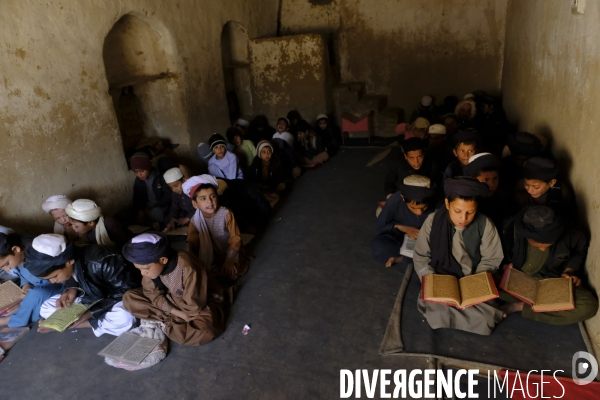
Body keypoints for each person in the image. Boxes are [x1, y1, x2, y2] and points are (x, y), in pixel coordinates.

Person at [413, 177, 505, 335]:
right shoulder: (433, 221)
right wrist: (433, 282)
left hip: (473, 278)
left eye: (470, 212)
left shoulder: (485, 224)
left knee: (485, 319)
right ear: (447, 204)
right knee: (437, 312)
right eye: (458, 211)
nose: (463, 218)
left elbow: (491, 259)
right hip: (441, 277)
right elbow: (421, 257)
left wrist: (475, 284)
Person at [122, 232, 231, 346]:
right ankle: (170, 321)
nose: (143, 273)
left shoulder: (188, 267)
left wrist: (173, 308)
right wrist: (176, 312)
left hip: (193, 302)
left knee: (204, 331)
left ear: (163, 260)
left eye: (145, 269)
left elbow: (193, 306)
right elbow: (151, 293)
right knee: (129, 298)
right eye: (139, 269)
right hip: (173, 304)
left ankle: (165, 321)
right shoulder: (149, 268)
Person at [25, 234, 139, 336]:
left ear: (69, 262)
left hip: (115, 297)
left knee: (124, 317)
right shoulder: (68, 263)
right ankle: (82, 322)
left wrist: (90, 313)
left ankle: (81, 323)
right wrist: (71, 289)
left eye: (54, 276)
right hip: (91, 296)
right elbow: (76, 277)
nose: (53, 281)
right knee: (46, 307)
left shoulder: (102, 260)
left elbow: (127, 290)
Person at [502, 206, 598, 325]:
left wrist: (569, 271)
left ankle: (519, 306)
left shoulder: (572, 234)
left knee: (589, 305)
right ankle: (539, 306)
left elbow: (579, 251)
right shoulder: (511, 229)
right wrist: (505, 266)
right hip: (518, 281)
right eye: (538, 245)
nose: (542, 249)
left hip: (551, 283)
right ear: (527, 236)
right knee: (487, 286)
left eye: (547, 245)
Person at [183, 176, 249, 281]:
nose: (210, 202)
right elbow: (192, 240)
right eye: (203, 198)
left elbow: (235, 238)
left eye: (213, 196)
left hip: (229, 252)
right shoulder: (195, 220)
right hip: (209, 254)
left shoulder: (226, 213)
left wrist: (229, 260)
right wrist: (191, 259)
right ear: (195, 204)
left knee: (231, 272)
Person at [0, 233, 63, 328]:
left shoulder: (37, 255)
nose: (7, 269)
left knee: (36, 295)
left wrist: (24, 303)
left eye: (6, 264)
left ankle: (13, 318)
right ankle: (28, 310)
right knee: (30, 298)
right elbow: (24, 277)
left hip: (57, 287)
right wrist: (26, 285)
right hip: (38, 292)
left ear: (16, 249)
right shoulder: (19, 261)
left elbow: (52, 280)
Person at [371, 175, 436, 268]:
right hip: (398, 235)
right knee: (378, 246)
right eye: (413, 208)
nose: (419, 212)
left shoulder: (438, 203)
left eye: (424, 208)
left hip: (426, 237)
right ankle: (407, 257)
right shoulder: (394, 201)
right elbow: (380, 226)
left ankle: (401, 258)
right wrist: (403, 228)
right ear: (403, 197)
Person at [463, 153, 509, 238]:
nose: (491, 184)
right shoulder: (466, 202)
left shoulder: (503, 199)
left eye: (495, 178)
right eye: (485, 180)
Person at [66, 199, 132, 249]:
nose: (73, 228)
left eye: (76, 226)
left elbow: (124, 244)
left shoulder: (109, 225)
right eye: (72, 225)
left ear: (90, 223)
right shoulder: (85, 230)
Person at [131, 152, 172, 229]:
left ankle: (153, 224)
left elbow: (168, 196)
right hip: (146, 209)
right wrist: (140, 211)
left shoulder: (160, 177)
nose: (139, 174)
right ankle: (151, 224)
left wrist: (153, 207)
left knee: (157, 213)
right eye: (136, 172)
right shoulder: (138, 180)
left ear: (148, 167)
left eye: (142, 171)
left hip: (159, 207)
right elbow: (137, 198)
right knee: (125, 215)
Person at [248, 141, 286, 207]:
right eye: (263, 152)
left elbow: (278, 178)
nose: (267, 154)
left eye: (269, 152)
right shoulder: (256, 162)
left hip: (272, 185)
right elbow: (252, 176)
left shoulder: (276, 162)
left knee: (282, 186)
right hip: (260, 186)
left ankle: (269, 201)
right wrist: (258, 185)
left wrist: (269, 186)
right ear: (259, 153)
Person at [163, 167, 196, 233]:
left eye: (176, 186)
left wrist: (187, 218)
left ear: (183, 180)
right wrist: (172, 220)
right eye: (171, 187)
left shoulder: (192, 191)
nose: (174, 189)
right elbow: (174, 208)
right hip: (186, 214)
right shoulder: (174, 194)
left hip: (197, 214)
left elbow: (200, 208)